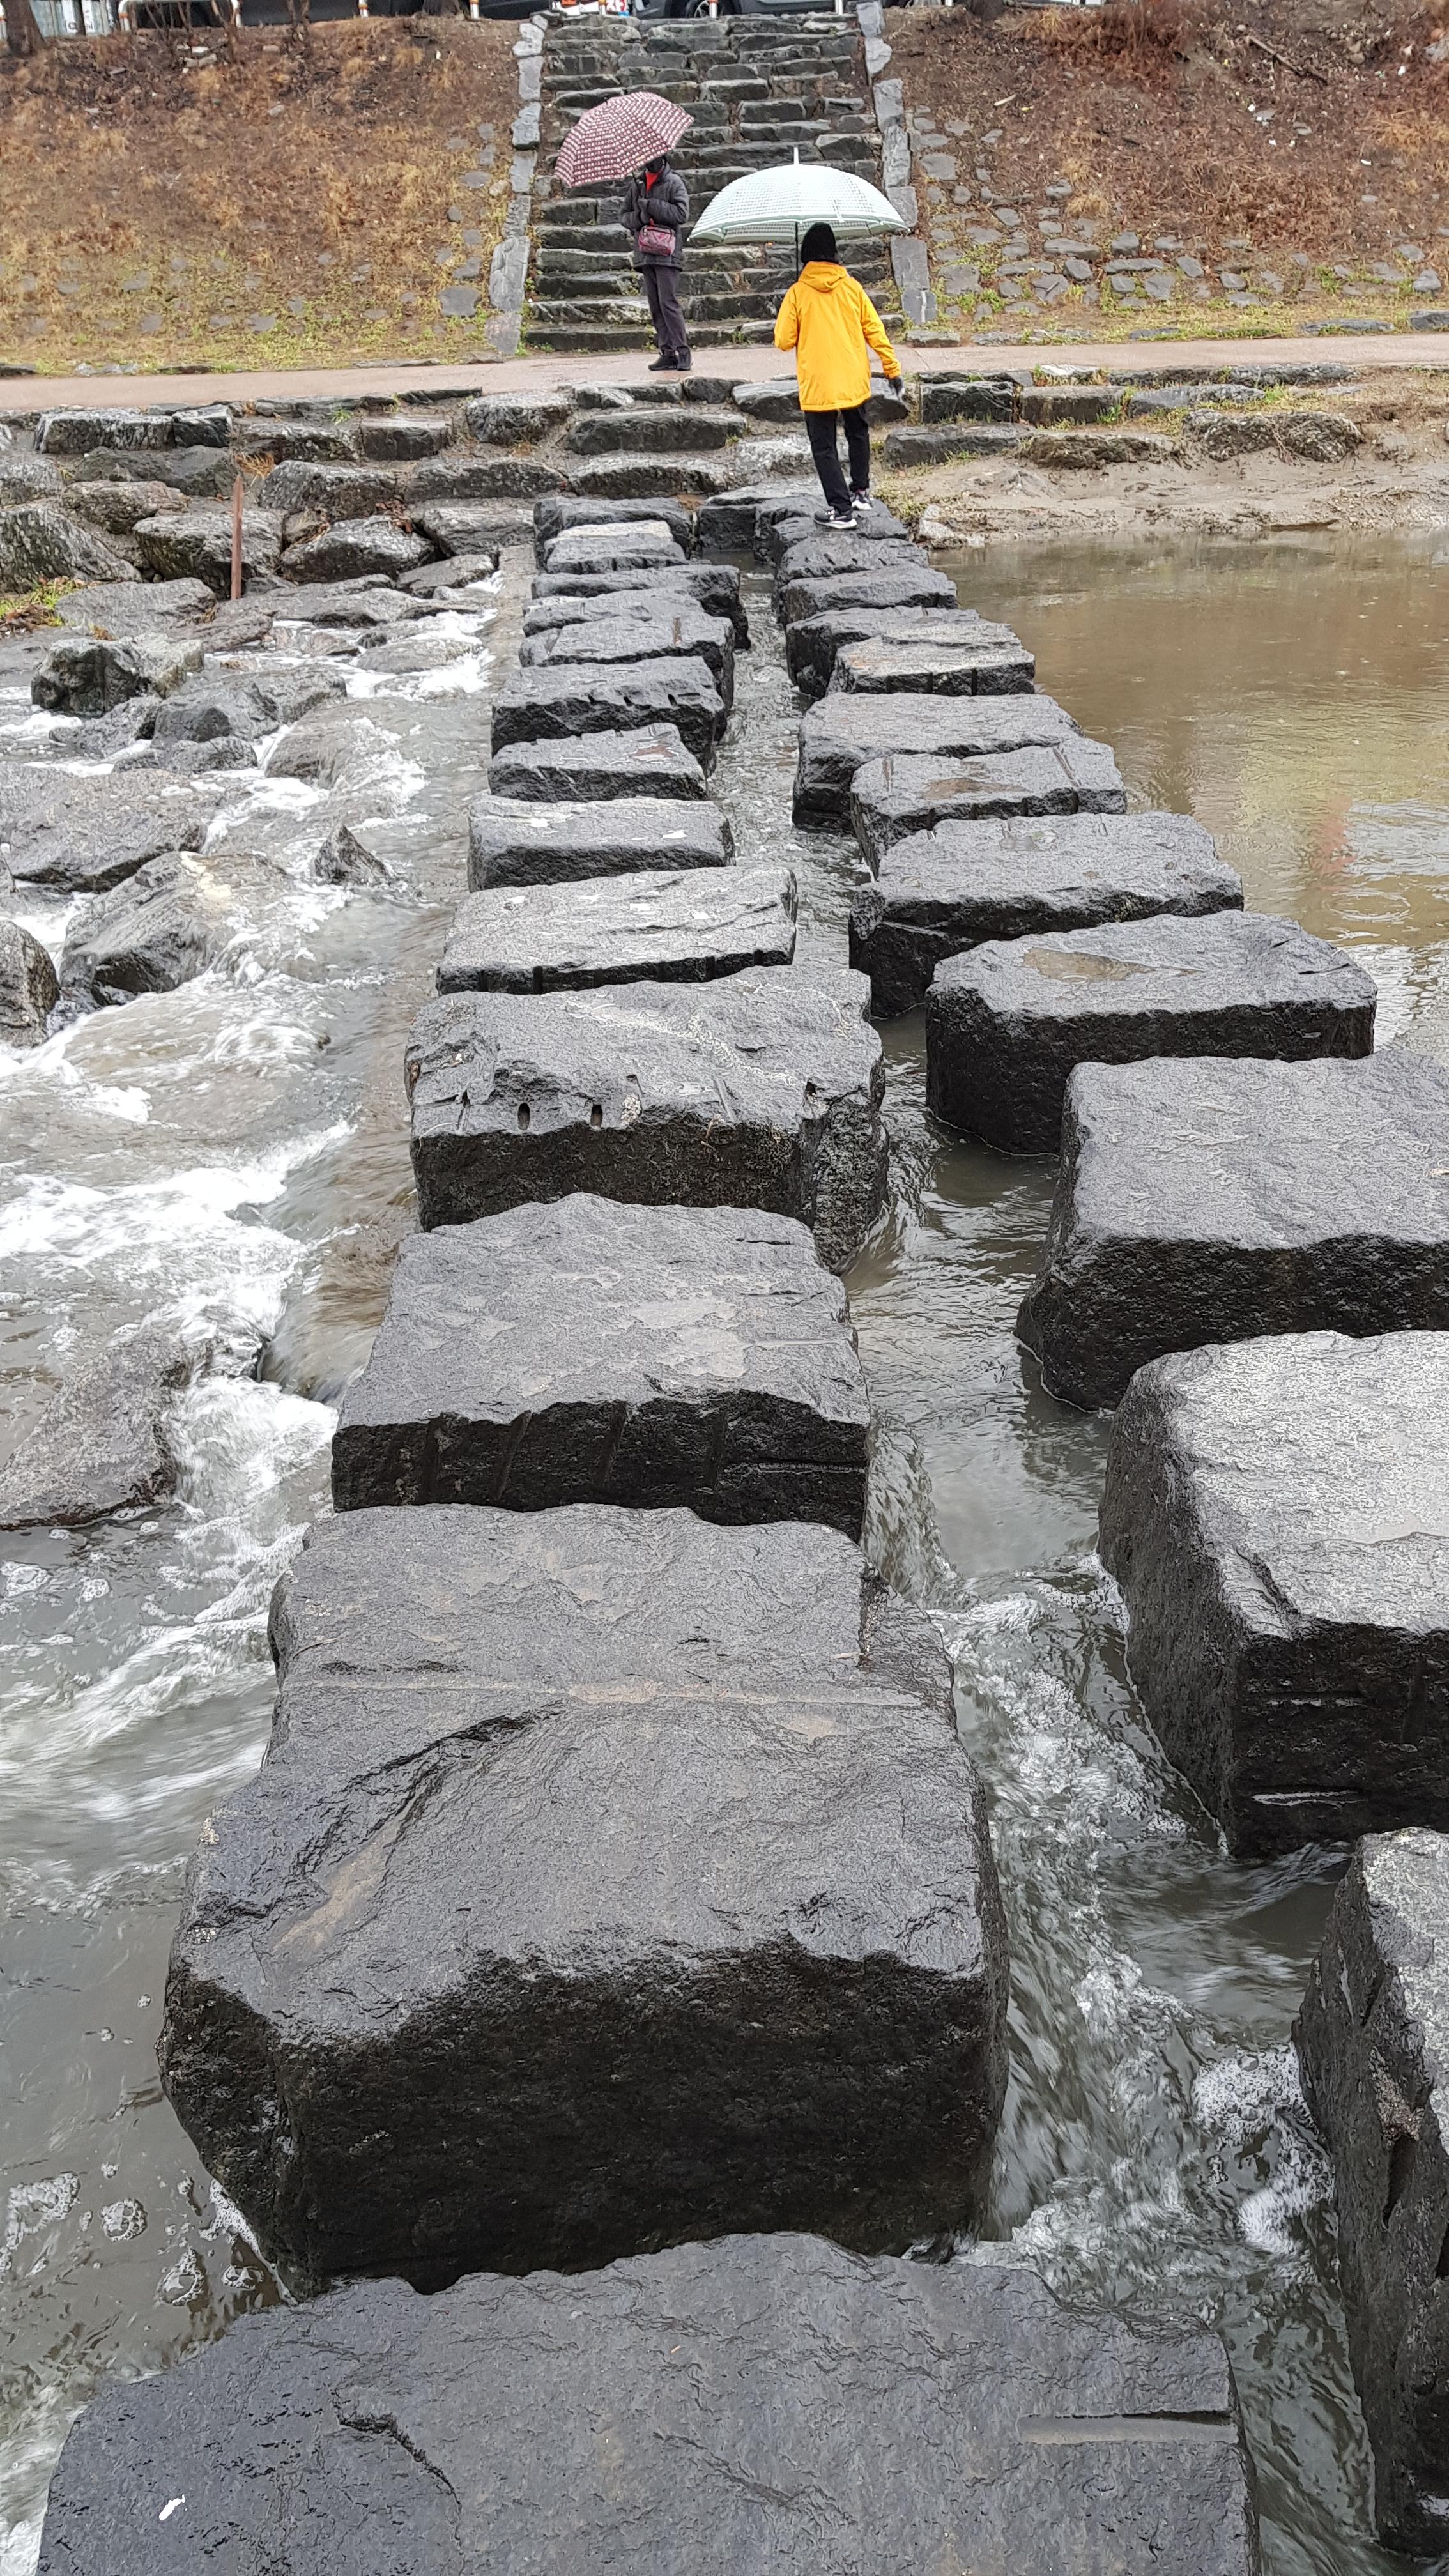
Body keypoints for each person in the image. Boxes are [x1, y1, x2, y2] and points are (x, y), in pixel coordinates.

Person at [773, 222, 902, 528]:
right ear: (834, 252)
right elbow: (875, 330)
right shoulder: (852, 287)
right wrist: (892, 368)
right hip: (853, 377)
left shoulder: (798, 293)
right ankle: (861, 492)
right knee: (857, 432)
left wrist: (790, 307)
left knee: (824, 446)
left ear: (805, 255)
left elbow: (783, 341)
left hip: (819, 383)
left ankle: (841, 509)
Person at [622, 155, 692, 376]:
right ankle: (667, 352)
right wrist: (641, 216)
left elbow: (681, 214)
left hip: (668, 253)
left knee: (668, 303)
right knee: (656, 306)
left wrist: (653, 206)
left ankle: (683, 351)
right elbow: (624, 217)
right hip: (646, 253)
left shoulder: (674, 182)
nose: (650, 162)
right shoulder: (637, 185)